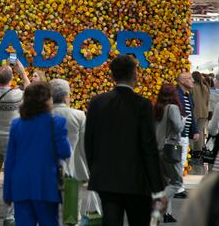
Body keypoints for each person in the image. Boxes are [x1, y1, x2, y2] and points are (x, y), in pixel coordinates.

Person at [84, 55, 166, 226]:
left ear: (112, 76)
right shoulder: (142, 105)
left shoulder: (97, 103)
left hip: (106, 178)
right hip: (137, 180)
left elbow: (89, 143)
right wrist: (158, 187)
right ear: (135, 74)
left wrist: (96, 170)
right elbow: (148, 147)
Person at [3, 82, 71, 226]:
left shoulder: (16, 124)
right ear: (47, 100)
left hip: (21, 186)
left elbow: (10, 161)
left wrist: (7, 192)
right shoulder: (57, 122)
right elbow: (65, 152)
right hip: (47, 185)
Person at [0, 60, 30, 226]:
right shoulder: (17, 95)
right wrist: (21, 72)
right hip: (11, 141)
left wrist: (3, 70)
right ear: (11, 78)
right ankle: (9, 217)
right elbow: (30, 90)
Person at [49, 78, 90, 223]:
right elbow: (84, 146)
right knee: (73, 214)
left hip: (47, 170)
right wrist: (87, 171)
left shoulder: (43, 116)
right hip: (73, 169)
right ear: (67, 95)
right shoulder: (79, 115)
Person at [154, 84, 185, 223]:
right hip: (171, 149)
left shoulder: (156, 109)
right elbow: (178, 128)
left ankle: (166, 214)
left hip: (158, 150)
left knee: (165, 182)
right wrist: (183, 121)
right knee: (177, 182)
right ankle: (158, 205)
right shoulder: (172, 108)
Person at [175, 72, 200, 198]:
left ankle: (179, 187)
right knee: (177, 161)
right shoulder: (176, 94)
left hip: (184, 134)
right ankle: (177, 188)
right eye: (190, 79)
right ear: (183, 81)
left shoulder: (187, 95)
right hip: (177, 134)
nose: (193, 81)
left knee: (181, 160)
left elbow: (191, 115)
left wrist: (195, 130)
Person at [191, 71, 210, 158]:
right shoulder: (206, 87)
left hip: (195, 112)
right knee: (200, 131)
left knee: (194, 131)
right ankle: (199, 149)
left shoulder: (191, 87)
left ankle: (193, 150)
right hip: (204, 112)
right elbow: (207, 101)